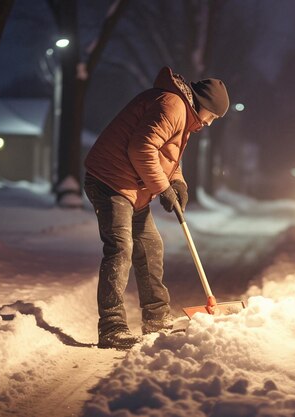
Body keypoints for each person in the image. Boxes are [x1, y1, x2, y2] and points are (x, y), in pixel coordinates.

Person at [83, 66, 229, 349]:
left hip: (133, 185)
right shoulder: (172, 106)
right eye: (212, 116)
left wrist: (178, 183)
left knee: (150, 246)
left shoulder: (183, 113)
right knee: (121, 247)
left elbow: (167, 156)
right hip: (110, 180)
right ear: (203, 105)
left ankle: (156, 318)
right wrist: (162, 189)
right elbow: (141, 149)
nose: (210, 123)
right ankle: (111, 326)